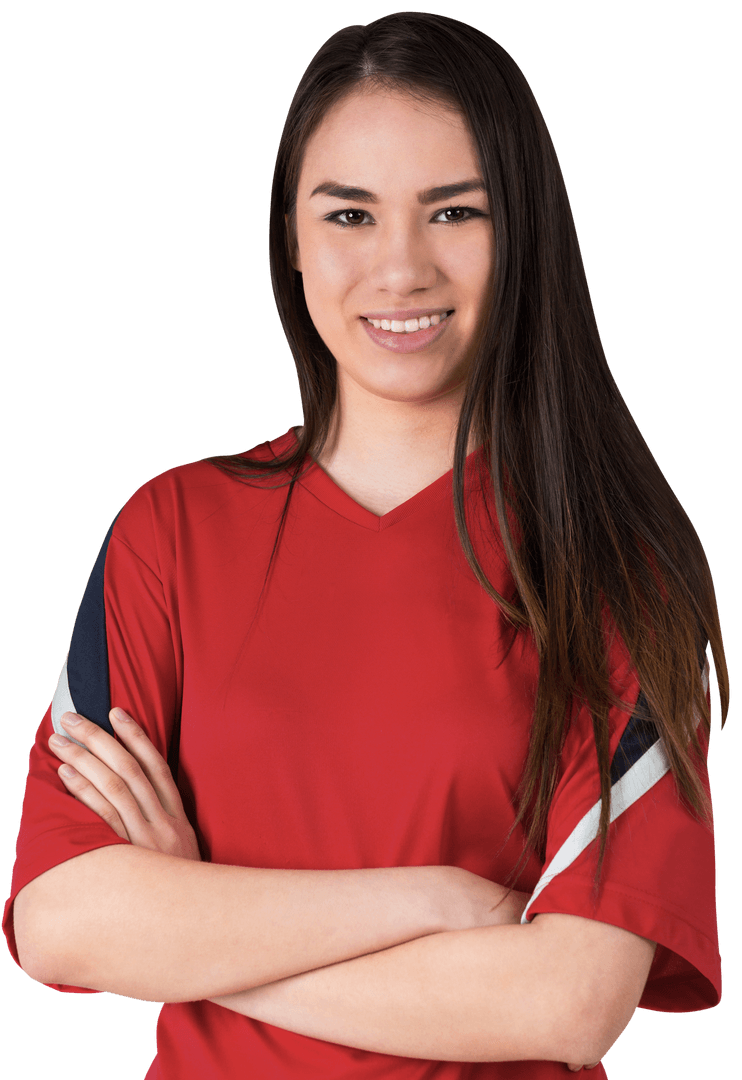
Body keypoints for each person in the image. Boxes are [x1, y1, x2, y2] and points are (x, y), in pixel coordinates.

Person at [4, 11, 728, 1079]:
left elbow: (567, 1002)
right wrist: (424, 900)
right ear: (289, 240)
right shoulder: (169, 531)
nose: (400, 268)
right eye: (348, 213)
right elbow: (61, 920)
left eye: (455, 213)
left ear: (522, 233)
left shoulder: (613, 569)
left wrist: (195, 928)